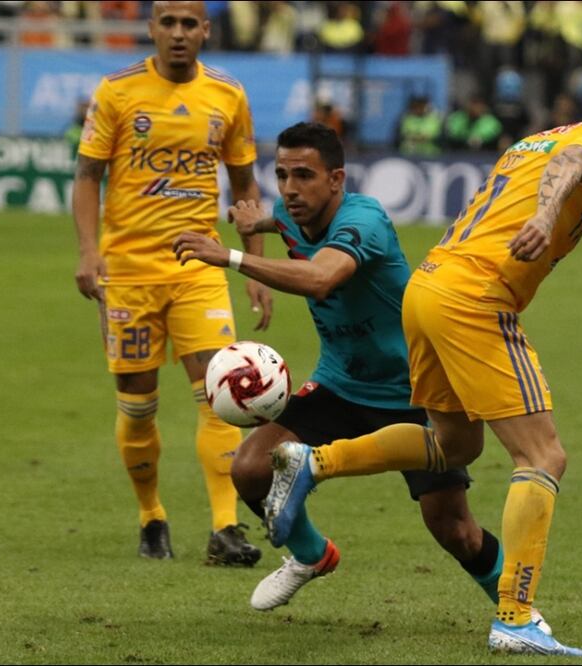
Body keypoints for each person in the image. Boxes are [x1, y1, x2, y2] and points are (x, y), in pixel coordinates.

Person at [260, 86, 582, 655]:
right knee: (543, 456)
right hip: (476, 299)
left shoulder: (538, 137)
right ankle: (515, 615)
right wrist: (547, 212)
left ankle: (314, 460)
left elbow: (552, 160)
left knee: (454, 445)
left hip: (430, 285)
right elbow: (572, 164)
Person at [171, 122, 549, 632]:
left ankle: (517, 612)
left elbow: (323, 277)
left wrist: (232, 258)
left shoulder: (363, 219)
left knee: (454, 529)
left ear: (337, 179)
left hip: (416, 390)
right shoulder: (289, 213)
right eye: (281, 174)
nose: (288, 187)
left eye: (303, 175)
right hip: (340, 382)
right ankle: (310, 554)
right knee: (250, 468)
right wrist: (253, 222)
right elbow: (272, 219)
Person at [72, 0, 272, 565]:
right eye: (169, 22)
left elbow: (245, 187)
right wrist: (89, 251)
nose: (179, 33)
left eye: (190, 23)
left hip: (198, 271)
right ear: (153, 28)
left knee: (222, 397)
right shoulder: (116, 91)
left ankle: (226, 528)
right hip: (128, 273)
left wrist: (253, 265)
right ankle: (151, 515)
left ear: (206, 30)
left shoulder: (227, 95)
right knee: (138, 409)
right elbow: (87, 176)